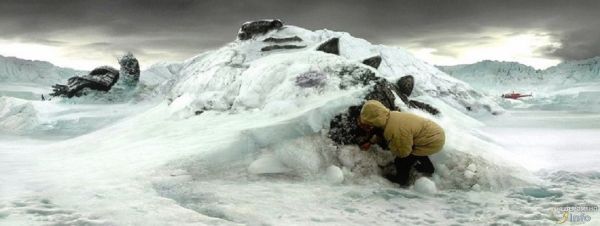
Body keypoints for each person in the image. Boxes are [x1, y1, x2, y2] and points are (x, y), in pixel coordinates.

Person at [358, 100, 445, 186]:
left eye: (368, 122)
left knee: (401, 160)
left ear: (374, 120)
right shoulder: (391, 116)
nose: (367, 125)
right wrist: (370, 142)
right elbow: (382, 132)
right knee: (415, 151)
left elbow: (403, 153)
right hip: (434, 133)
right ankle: (428, 168)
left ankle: (402, 180)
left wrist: (393, 156)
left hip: (432, 142)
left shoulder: (394, 130)